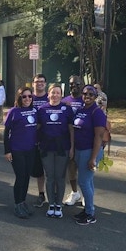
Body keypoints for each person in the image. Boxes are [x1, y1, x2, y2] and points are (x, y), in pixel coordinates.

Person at [37, 84, 74, 219]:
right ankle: (51, 204)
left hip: (62, 147)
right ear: (48, 94)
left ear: (61, 95)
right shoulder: (42, 109)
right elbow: (36, 128)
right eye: (53, 92)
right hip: (46, 148)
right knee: (49, 176)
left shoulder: (67, 109)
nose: (55, 95)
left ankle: (59, 204)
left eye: (58, 93)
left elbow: (71, 129)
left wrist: (72, 147)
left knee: (60, 177)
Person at [72, 85, 107, 225]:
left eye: (91, 94)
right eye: (85, 93)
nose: (87, 96)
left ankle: (90, 214)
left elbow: (99, 136)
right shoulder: (80, 110)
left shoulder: (97, 112)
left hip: (90, 151)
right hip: (80, 150)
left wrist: (93, 158)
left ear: (95, 96)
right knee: (88, 181)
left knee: (83, 181)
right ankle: (87, 209)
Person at [4, 87, 38, 219]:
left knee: (27, 177)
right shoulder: (14, 112)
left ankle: (23, 202)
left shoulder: (34, 111)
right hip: (17, 150)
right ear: (20, 98)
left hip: (30, 149)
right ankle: (17, 204)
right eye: (24, 97)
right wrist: (7, 151)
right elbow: (7, 133)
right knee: (20, 177)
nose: (27, 99)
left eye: (30, 96)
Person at [61, 75, 84, 206]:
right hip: (69, 141)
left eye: (76, 84)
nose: (73, 86)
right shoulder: (64, 101)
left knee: (85, 171)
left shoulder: (86, 99)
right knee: (71, 168)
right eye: (71, 84)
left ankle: (86, 194)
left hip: (84, 141)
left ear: (82, 84)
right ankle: (75, 193)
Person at [31, 74, 49, 208]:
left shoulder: (50, 97)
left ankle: (54, 196)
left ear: (46, 84)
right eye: (37, 82)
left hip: (48, 139)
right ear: (33, 84)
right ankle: (41, 194)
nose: (39, 84)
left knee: (52, 170)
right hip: (31, 139)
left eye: (42, 82)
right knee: (38, 170)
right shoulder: (28, 97)